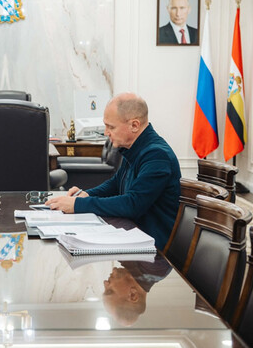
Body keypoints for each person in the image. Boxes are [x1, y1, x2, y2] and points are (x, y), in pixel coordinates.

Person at [45, 93, 181, 249]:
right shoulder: (135, 147)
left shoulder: (156, 155)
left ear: (134, 125)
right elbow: (115, 184)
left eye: (111, 127)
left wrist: (78, 204)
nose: (106, 132)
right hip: (134, 235)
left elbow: (133, 204)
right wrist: (86, 194)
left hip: (154, 249)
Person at [102, 256, 172, 326]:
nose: (105, 283)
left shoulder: (135, 265)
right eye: (110, 291)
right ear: (133, 295)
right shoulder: (154, 266)